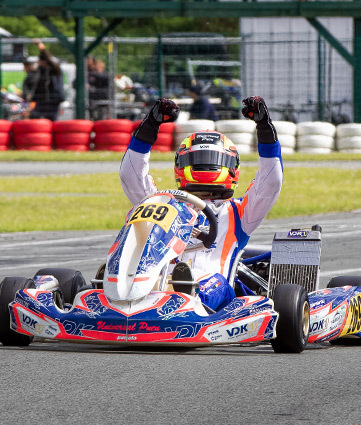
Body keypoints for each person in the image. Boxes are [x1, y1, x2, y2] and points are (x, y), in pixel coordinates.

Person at [120, 96, 282, 311]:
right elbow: (131, 176)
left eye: (215, 160)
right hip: (156, 286)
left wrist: (264, 127)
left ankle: (187, 293)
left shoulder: (239, 213)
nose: (206, 165)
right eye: (196, 159)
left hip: (211, 291)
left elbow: (271, 181)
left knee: (217, 284)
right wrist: (150, 124)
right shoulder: (162, 205)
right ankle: (128, 290)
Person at [28, 40, 65, 121]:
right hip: (41, 100)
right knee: (33, 117)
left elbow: (47, 57)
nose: (38, 63)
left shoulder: (54, 69)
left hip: (53, 100)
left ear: (44, 61)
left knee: (51, 120)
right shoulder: (40, 71)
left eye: (39, 61)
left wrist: (40, 45)